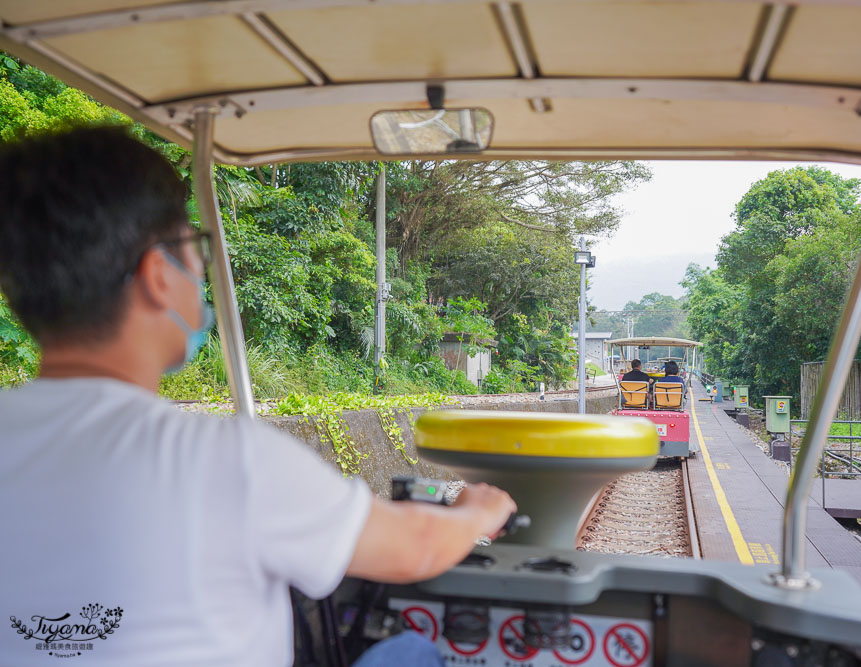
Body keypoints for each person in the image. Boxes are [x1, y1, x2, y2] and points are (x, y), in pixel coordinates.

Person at [0, 127, 516, 667]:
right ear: (158, 276)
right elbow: (416, 548)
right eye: (193, 249)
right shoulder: (222, 458)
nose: (200, 273)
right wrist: (475, 513)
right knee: (410, 652)